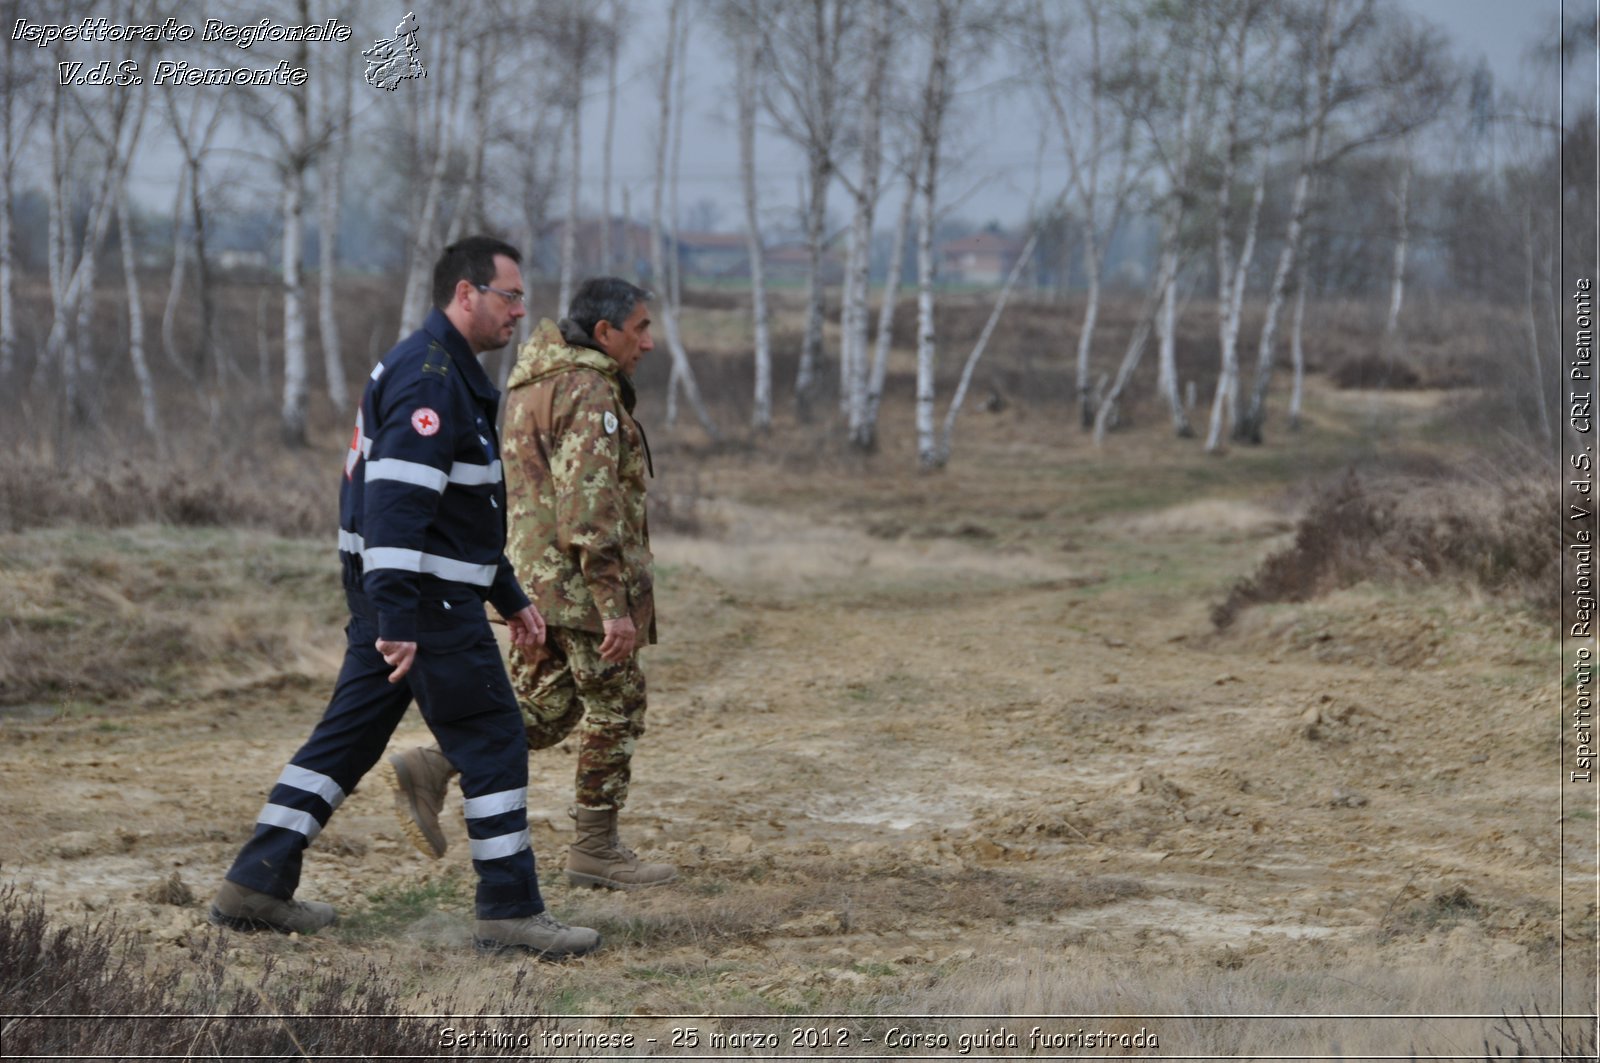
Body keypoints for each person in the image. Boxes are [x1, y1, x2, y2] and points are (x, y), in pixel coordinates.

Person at [209, 237, 601, 960]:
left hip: (408, 599)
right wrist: (397, 617)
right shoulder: (430, 381)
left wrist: (509, 594)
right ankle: (510, 910)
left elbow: (456, 513)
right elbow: (395, 509)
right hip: (423, 606)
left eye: (521, 298)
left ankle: (254, 884)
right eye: (509, 296)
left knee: (342, 745)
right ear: (465, 293)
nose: (520, 312)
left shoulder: (443, 371)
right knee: (492, 739)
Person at [386, 277, 674, 891]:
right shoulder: (588, 390)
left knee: (548, 708)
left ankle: (434, 764)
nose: (648, 342)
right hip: (580, 592)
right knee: (616, 708)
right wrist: (613, 607)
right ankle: (596, 850)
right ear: (604, 332)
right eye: (641, 328)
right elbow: (589, 511)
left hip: (535, 582)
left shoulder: (530, 383)